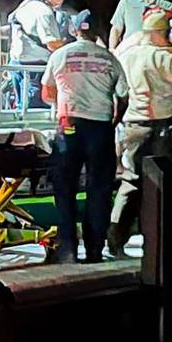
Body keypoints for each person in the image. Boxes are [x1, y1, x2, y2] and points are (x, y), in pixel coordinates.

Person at [109, 9, 172, 258]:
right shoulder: (163, 57)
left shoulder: (126, 55)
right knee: (165, 187)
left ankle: (115, 239)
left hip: (131, 127)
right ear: (162, 33)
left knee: (130, 184)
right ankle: (164, 243)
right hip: (161, 127)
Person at [41, 31, 128, 263]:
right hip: (100, 127)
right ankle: (94, 250)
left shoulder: (60, 55)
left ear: (74, 31)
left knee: (64, 188)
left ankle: (68, 248)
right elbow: (124, 96)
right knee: (99, 190)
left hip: (69, 123)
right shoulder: (109, 58)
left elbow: (46, 92)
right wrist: (113, 121)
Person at [9, 0, 69, 109]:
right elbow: (52, 44)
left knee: (21, 109)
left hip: (17, 65)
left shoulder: (25, 4)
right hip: (35, 69)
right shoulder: (43, 11)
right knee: (35, 112)